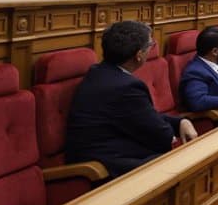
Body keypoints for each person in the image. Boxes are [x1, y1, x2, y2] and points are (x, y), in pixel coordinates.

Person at [65, 21, 197, 177]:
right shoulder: (125, 87)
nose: (152, 48)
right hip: (104, 167)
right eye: (150, 45)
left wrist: (180, 122)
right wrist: (171, 132)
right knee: (187, 163)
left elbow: (145, 116)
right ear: (139, 55)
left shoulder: (100, 72)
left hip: (114, 150)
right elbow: (161, 137)